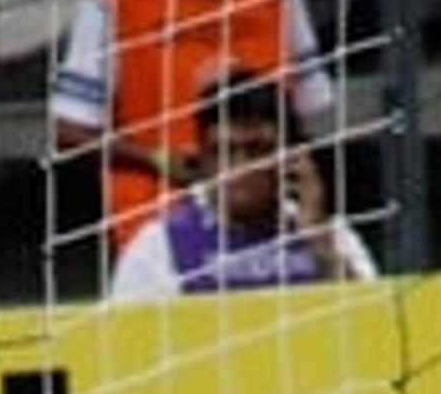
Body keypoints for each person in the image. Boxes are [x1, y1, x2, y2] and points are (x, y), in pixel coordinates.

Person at [49, 0, 341, 265]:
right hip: (156, 228)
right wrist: (155, 159)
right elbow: (68, 129)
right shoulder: (114, 1)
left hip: (270, 227)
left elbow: (311, 112)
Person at [104, 66, 377, 302]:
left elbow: (373, 331)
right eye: (223, 151)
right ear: (202, 159)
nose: (240, 166)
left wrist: (321, 244)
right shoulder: (159, 246)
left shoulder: (330, 234)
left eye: (257, 149)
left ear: (292, 156)